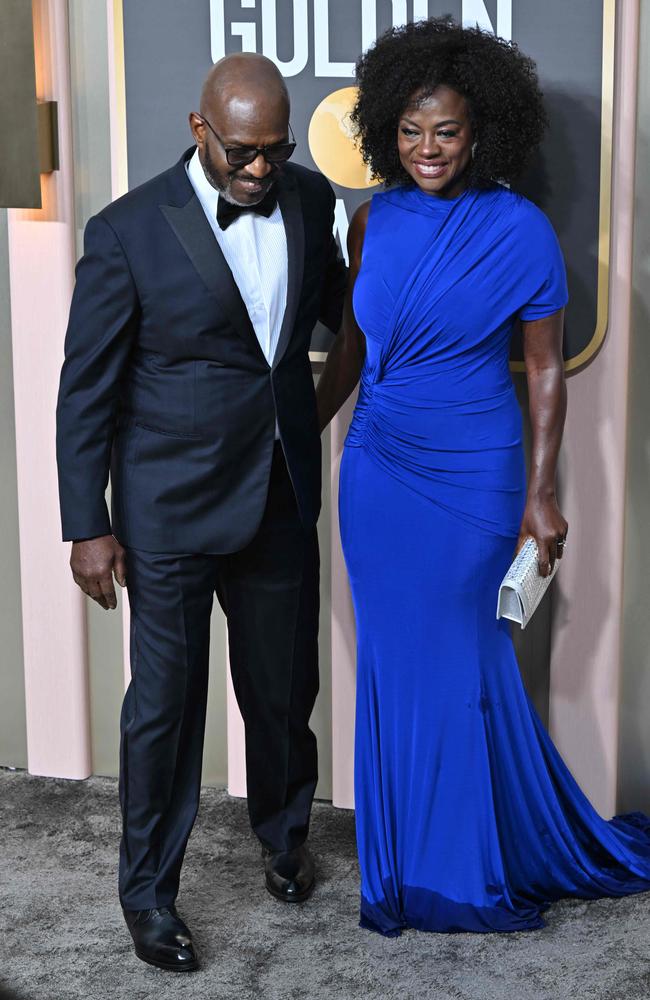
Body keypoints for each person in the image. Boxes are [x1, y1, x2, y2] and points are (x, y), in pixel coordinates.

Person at [316, 17, 650, 936]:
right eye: (413, 131)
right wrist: (304, 424)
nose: (428, 149)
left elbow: (544, 369)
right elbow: (355, 341)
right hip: (378, 469)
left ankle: (458, 874)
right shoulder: (370, 219)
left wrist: (542, 493)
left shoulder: (520, 230)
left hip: (473, 475)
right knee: (393, 662)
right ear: (388, 127)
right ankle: (405, 865)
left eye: (448, 132)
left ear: (482, 132)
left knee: (460, 661)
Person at [56, 53, 347, 970]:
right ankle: (148, 896)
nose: (260, 171)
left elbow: (344, 318)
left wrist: (313, 414)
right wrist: (87, 523)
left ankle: (283, 834)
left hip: (277, 493)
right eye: (242, 154)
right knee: (165, 713)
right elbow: (85, 392)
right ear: (199, 130)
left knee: (280, 689)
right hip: (167, 510)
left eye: (276, 149)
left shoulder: (307, 199)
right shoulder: (127, 230)